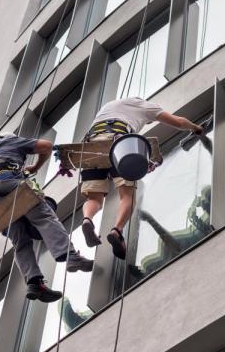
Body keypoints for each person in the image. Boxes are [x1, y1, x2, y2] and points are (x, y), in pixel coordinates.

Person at [77, 97, 205, 259]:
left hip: (90, 147)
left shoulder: (109, 106)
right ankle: (116, 231)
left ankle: (87, 219)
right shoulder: (144, 105)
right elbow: (178, 122)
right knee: (127, 196)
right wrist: (196, 128)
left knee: (94, 199)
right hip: (118, 144)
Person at [0, 133, 93, 303]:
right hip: (5, 182)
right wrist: (35, 167)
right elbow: (46, 146)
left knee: (19, 239)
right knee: (44, 216)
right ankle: (70, 256)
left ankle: (34, 283)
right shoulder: (11, 140)